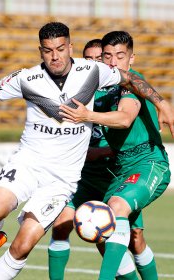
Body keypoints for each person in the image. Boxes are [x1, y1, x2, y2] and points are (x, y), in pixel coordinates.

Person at [0, 22, 173, 279]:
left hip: (61, 179)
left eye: (60, 49)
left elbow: (131, 79)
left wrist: (163, 105)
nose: (54, 56)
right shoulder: (26, 78)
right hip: (28, 163)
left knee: (23, 245)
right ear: (40, 50)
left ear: (69, 47)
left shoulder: (93, 71)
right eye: (47, 50)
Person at [59, 31, 171, 280]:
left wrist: (164, 104)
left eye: (119, 56)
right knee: (120, 233)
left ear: (131, 59)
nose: (112, 63)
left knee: (116, 208)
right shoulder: (97, 90)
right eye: (107, 57)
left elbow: (124, 118)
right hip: (120, 170)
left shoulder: (131, 84)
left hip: (149, 161)